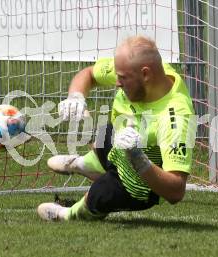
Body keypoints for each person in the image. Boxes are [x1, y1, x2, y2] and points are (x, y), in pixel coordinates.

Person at [37, 36, 196, 221]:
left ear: (145, 74)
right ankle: (82, 164)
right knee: (106, 132)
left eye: (122, 78)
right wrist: (76, 96)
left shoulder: (175, 117)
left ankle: (66, 214)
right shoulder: (133, 70)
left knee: (101, 192)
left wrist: (138, 158)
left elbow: (175, 191)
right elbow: (88, 74)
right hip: (122, 145)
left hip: (138, 184)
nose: (118, 82)